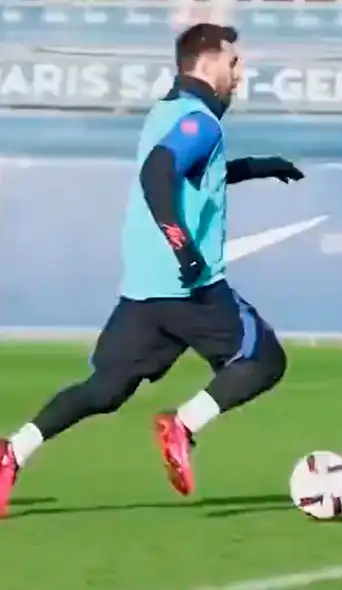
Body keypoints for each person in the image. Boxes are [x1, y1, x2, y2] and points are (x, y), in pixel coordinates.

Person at [0, 23, 304, 516]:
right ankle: (183, 425)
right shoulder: (200, 121)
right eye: (233, 63)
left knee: (104, 389)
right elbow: (157, 173)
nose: (239, 73)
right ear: (207, 63)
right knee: (263, 360)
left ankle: (13, 452)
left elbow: (193, 173)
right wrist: (184, 247)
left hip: (145, 291)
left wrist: (257, 167)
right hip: (190, 286)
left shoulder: (168, 112)